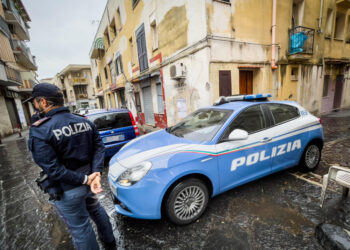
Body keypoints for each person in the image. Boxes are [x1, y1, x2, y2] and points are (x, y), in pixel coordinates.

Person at [27, 83, 115, 250]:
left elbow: (52, 168)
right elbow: (99, 147)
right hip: (91, 184)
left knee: (81, 228)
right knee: (96, 210)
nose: (34, 106)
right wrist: (95, 173)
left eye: (35, 102)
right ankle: (110, 243)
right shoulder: (84, 121)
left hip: (69, 189)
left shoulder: (41, 129)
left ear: (44, 102)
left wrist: (86, 178)